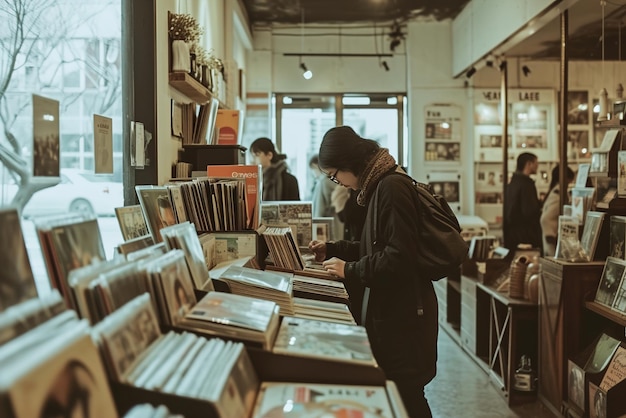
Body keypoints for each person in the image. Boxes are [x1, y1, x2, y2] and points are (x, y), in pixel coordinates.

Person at [308, 126, 438, 417]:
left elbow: (399, 258)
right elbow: (373, 247)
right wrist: (333, 248)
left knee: (408, 398)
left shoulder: (392, 187)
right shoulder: (378, 187)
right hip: (397, 314)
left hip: (406, 318)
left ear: (348, 163)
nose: (338, 183)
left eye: (334, 175)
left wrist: (349, 270)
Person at [503, 152, 542, 253]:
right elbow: (529, 211)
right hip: (525, 235)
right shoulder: (526, 185)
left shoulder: (513, 182)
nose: (537, 165)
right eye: (536, 163)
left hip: (513, 235)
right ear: (529, 164)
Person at [540, 165, 575, 257]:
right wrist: (551, 236)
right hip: (553, 240)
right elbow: (545, 218)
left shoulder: (555, 191)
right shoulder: (558, 194)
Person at [309, 154, 343, 239]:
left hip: (326, 226)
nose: (313, 173)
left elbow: (319, 210)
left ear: (316, 166)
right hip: (339, 223)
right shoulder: (336, 181)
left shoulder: (322, 182)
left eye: (313, 169)